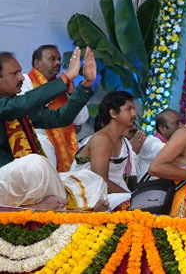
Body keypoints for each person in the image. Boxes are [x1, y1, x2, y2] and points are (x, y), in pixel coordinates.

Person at [0, 48, 108, 210]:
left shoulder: (16, 107)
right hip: (5, 179)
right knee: (35, 162)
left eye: (20, 72)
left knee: (92, 179)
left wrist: (85, 85)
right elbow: (22, 104)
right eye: (14, 74)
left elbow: (60, 118)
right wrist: (66, 77)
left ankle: (54, 206)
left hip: (19, 181)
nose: (21, 77)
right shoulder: (13, 106)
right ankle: (64, 211)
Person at [18, 45, 89, 172]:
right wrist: (57, 88)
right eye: (52, 59)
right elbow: (28, 107)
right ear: (37, 63)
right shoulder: (24, 82)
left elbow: (81, 119)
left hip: (66, 149)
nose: (58, 63)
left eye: (59, 59)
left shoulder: (65, 86)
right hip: (37, 148)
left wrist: (73, 93)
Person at [74, 91, 141, 209]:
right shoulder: (102, 139)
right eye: (129, 109)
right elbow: (100, 180)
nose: (134, 114)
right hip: (87, 195)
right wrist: (131, 197)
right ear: (113, 113)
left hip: (110, 194)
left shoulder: (124, 142)